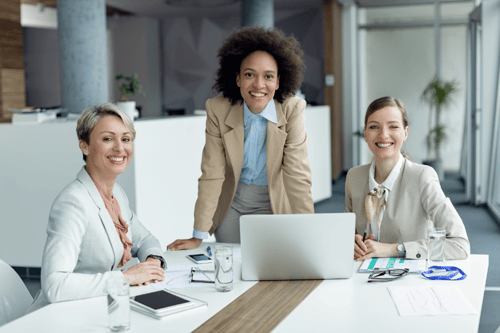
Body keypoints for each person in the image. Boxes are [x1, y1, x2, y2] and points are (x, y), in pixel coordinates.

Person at [168, 27, 314, 250]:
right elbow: (212, 172)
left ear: (278, 81)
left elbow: (297, 174)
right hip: (232, 205)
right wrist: (198, 234)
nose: (258, 85)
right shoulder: (217, 108)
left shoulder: (293, 108)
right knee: (233, 269)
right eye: (249, 74)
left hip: (273, 202)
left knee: (271, 267)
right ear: (237, 79)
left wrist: (309, 228)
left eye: (268, 76)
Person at [27, 103, 166, 313]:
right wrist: (126, 277)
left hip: (95, 309)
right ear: (84, 146)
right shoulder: (73, 202)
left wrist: (152, 263)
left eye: (126, 139)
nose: (120, 148)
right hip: (57, 317)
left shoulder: (116, 193)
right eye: (108, 138)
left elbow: (146, 239)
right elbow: (54, 285)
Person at [345, 96, 470, 261]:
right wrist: (350, 244)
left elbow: (460, 245)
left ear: (405, 133)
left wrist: (395, 249)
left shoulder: (421, 177)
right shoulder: (354, 177)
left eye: (393, 126)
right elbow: (347, 235)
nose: (383, 134)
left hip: (409, 279)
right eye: (374, 126)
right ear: (366, 134)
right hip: (363, 277)